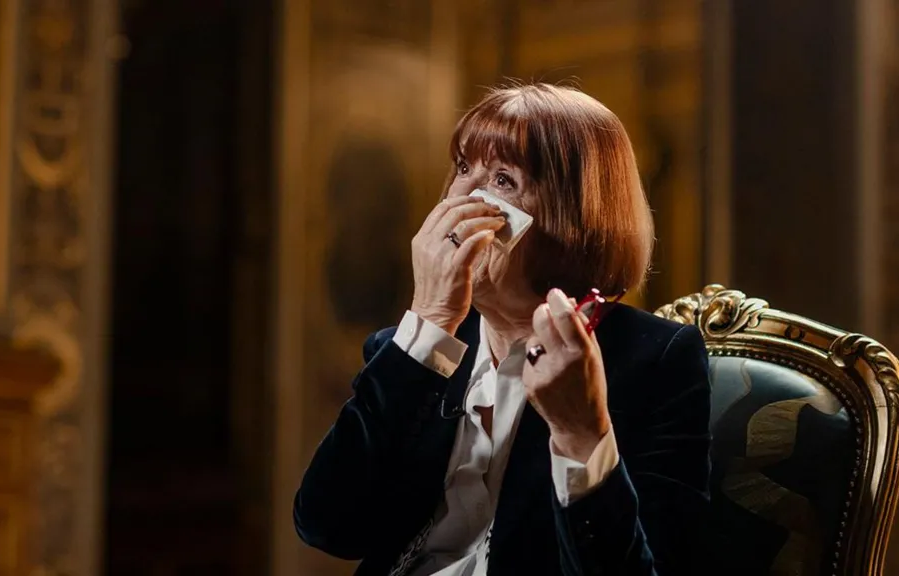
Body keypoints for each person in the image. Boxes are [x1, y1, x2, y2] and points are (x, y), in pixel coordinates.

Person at [293, 83, 712, 576]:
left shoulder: (655, 361)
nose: (462, 198)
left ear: (572, 216)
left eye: (503, 180)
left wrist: (582, 438)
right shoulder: (408, 352)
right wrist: (428, 322)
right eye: (463, 168)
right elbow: (325, 526)